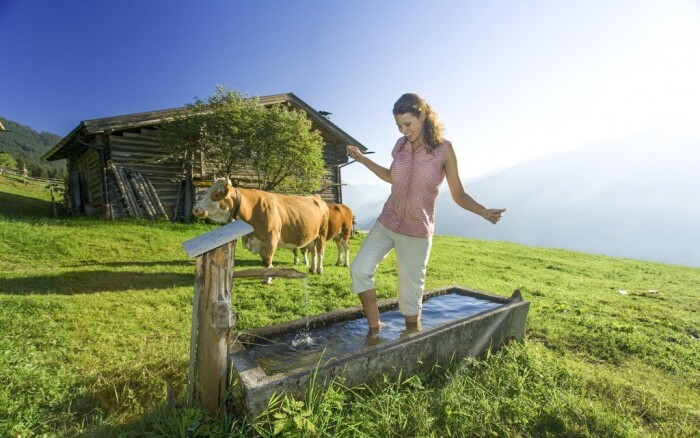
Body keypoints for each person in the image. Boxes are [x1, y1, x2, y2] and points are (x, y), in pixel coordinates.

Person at [347, 93, 505, 333]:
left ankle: (412, 339)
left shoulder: (443, 150)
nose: (403, 131)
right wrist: (361, 160)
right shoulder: (400, 146)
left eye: (407, 124)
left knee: (410, 298)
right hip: (387, 221)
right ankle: (374, 328)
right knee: (360, 268)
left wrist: (483, 211)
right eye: (399, 126)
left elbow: (458, 194)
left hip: (416, 230)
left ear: (423, 115)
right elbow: (392, 177)